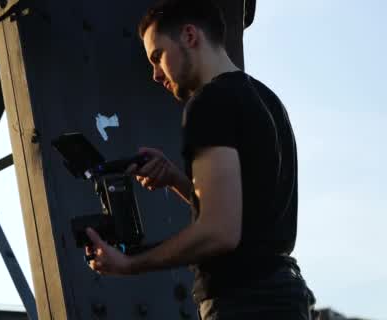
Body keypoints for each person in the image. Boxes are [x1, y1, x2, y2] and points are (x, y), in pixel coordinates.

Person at [83, 0, 316, 319]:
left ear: (190, 35)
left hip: (241, 303)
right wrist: (177, 180)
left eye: (158, 56)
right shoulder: (266, 99)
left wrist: (129, 263)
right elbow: (245, 217)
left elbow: (220, 232)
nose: (155, 75)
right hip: (285, 296)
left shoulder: (209, 103)